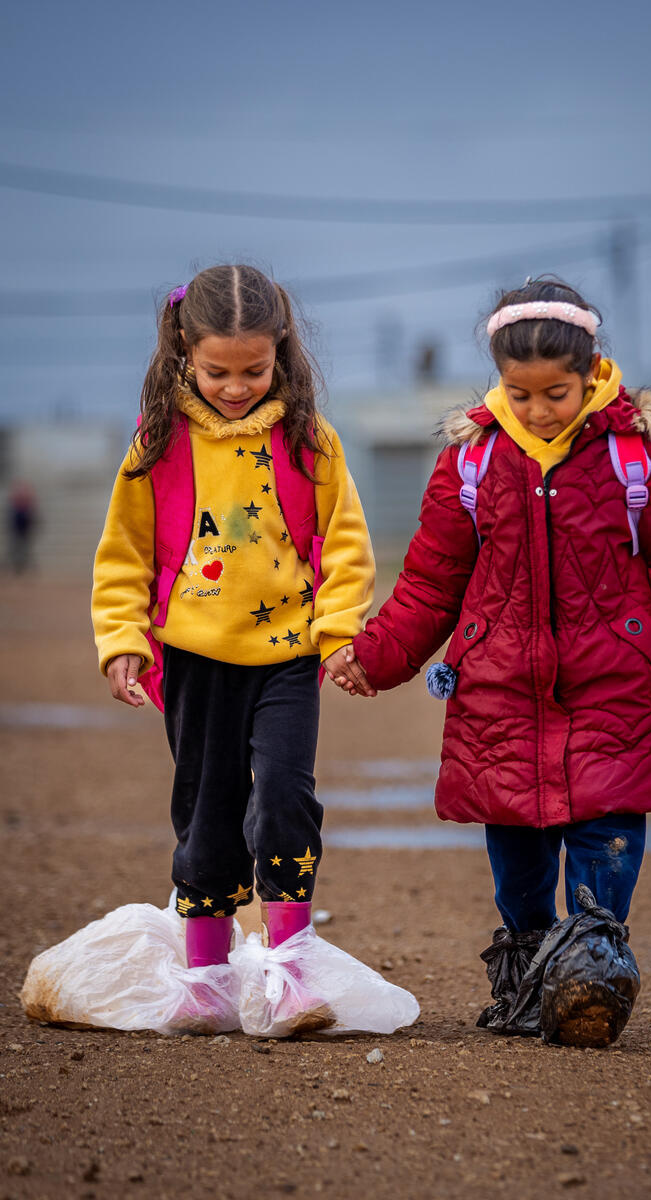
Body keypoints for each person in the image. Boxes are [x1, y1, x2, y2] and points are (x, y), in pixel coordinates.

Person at [336, 276, 651, 1046]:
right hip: (498, 693)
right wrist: (377, 655)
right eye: (518, 393)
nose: (536, 410)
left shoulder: (644, 460)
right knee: (518, 847)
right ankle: (531, 974)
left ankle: (592, 970)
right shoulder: (471, 464)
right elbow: (431, 582)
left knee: (606, 833)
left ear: (593, 370)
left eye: (556, 393)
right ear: (499, 380)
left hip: (615, 690)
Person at [92, 264, 376, 1032]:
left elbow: (346, 547)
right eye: (218, 371)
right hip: (194, 661)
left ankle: (290, 973)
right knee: (208, 813)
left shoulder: (310, 441)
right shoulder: (156, 445)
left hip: (287, 659)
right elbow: (124, 553)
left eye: (255, 370)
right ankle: (207, 979)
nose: (236, 386)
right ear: (185, 351)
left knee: (285, 797)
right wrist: (123, 639)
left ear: (281, 352)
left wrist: (340, 633)